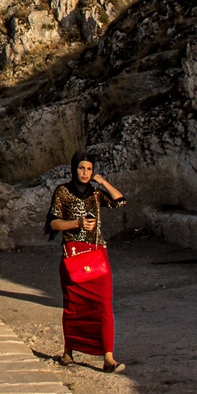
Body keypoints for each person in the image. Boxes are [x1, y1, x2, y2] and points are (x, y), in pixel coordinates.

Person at [46, 151, 126, 372]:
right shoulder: (62, 191)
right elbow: (52, 224)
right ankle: (68, 351)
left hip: (97, 253)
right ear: (74, 168)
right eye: (82, 168)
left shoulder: (96, 193)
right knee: (73, 307)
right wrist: (77, 223)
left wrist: (102, 181)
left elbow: (120, 201)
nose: (85, 173)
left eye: (89, 169)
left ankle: (108, 357)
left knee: (103, 305)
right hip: (73, 254)